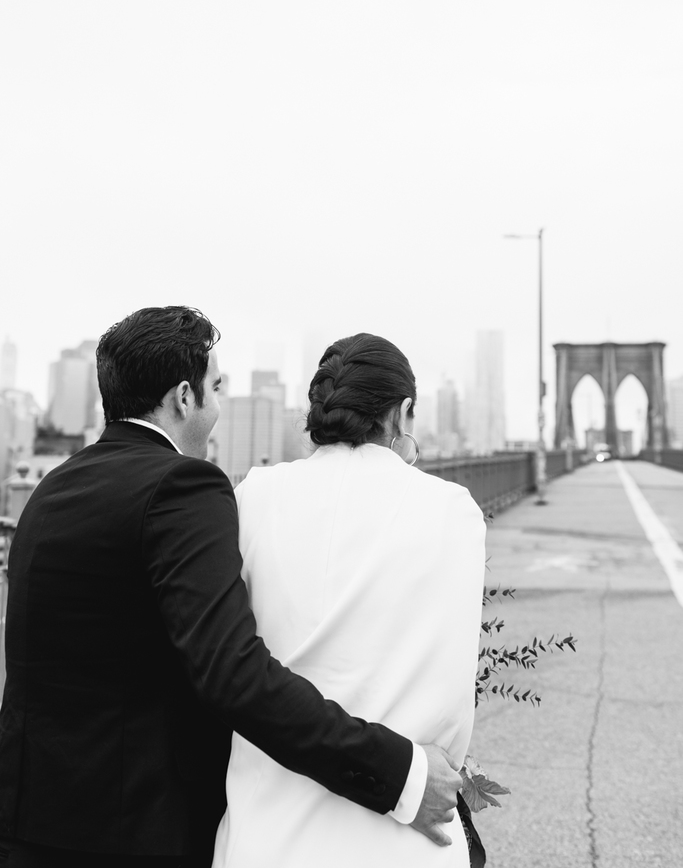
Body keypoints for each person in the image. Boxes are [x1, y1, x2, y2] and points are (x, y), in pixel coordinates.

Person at [0, 308, 463, 868]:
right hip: (135, 833)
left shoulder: (53, 489)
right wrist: (401, 775)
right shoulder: (182, 487)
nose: (218, 407)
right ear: (183, 398)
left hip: (29, 821)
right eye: (215, 387)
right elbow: (234, 675)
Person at [212, 333, 487, 867]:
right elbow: (453, 707)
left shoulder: (254, 496)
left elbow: (233, 669)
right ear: (403, 413)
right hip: (405, 838)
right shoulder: (453, 511)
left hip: (266, 838)